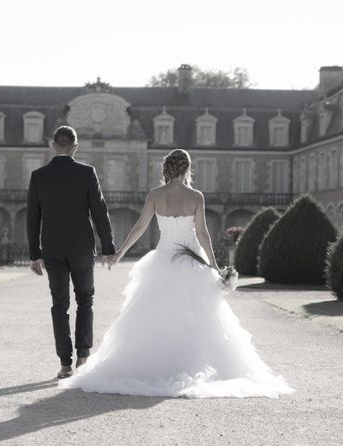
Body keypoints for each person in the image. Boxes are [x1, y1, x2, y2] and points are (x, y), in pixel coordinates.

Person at [58, 149, 293, 398]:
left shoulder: (156, 194)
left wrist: (120, 253)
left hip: (162, 260)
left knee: (155, 315)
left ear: (167, 168)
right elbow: (202, 233)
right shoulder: (196, 196)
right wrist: (214, 267)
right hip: (192, 262)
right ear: (187, 169)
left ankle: (151, 366)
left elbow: (140, 226)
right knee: (200, 316)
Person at [27, 125, 115, 379]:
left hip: (53, 248)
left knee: (59, 305)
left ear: (52, 146)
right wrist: (108, 248)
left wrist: (35, 254)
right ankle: (83, 358)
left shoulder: (38, 176)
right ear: (75, 147)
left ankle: (65, 364)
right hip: (81, 249)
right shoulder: (87, 173)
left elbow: (33, 218)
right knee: (85, 300)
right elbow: (100, 211)